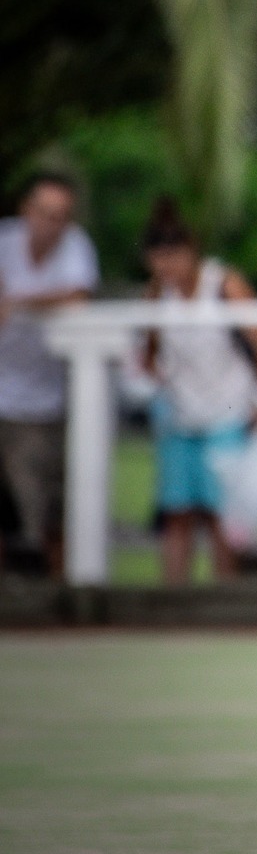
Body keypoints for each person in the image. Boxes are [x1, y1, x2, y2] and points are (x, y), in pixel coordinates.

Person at [138, 199, 257, 585]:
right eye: (159, 258)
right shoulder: (156, 294)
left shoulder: (224, 284)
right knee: (178, 511)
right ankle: (174, 596)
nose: (167, 267)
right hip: (181, 414)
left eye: (174, 256)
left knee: (223, 513)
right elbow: (149, 351)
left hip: (228, 408)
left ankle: (223, 597)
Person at [0, 174, 98, 578]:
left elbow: (77, 295)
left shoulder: (75, 248)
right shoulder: (5, 241)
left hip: (43, 403)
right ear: (26, 210)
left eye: (62, 216)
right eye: (45, 213)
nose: (52, 223)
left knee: (45, 512)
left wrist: (17, 301)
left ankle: (62, 601)